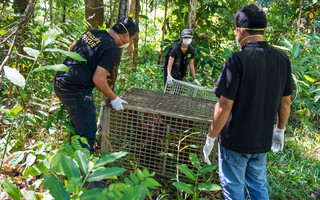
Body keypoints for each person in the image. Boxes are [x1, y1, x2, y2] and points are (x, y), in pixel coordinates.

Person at [202, 4, 293, 200]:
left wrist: (211, 136)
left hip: (235, 141)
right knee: (258, 188)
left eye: (236, 31)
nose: (236, 35)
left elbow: (224, 105)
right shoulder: (282, 59)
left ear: (240, 31)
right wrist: (280, 130)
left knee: (233, 190)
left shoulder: (237, 60)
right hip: (262, 141)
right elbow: (285, 102)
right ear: (264, 30)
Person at [54, 17, 139, 153]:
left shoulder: (93, 32)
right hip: (75, 89)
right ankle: (82, 172)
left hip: (60, 80)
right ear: (126, 35)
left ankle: (70, 160)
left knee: (79, 125)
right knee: (88, 132)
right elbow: (99, 79)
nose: (129, 42)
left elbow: (72, 48)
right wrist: (114, 98)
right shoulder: (112, 48)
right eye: (131, 39)